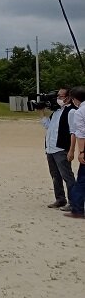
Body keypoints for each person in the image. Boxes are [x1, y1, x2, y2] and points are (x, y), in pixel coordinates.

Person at [40, 87, 76, 209]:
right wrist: (41, 111)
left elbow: (73, 132)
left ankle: (74, 202)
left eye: (61, 96)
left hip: (61, 149)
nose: (58, 98)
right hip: (50, 148)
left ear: (68, 97)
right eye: (58, 96)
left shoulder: (71, 111)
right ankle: (60, 199)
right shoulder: (56, 112)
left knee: (67, 176)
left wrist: (71, 150)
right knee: (55, 176)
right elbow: (48, 126)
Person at [64, 85, 85, 219]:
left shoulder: (80, 112)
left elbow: (80, 133)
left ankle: (77, 209)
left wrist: (81, 151)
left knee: (82, 180)